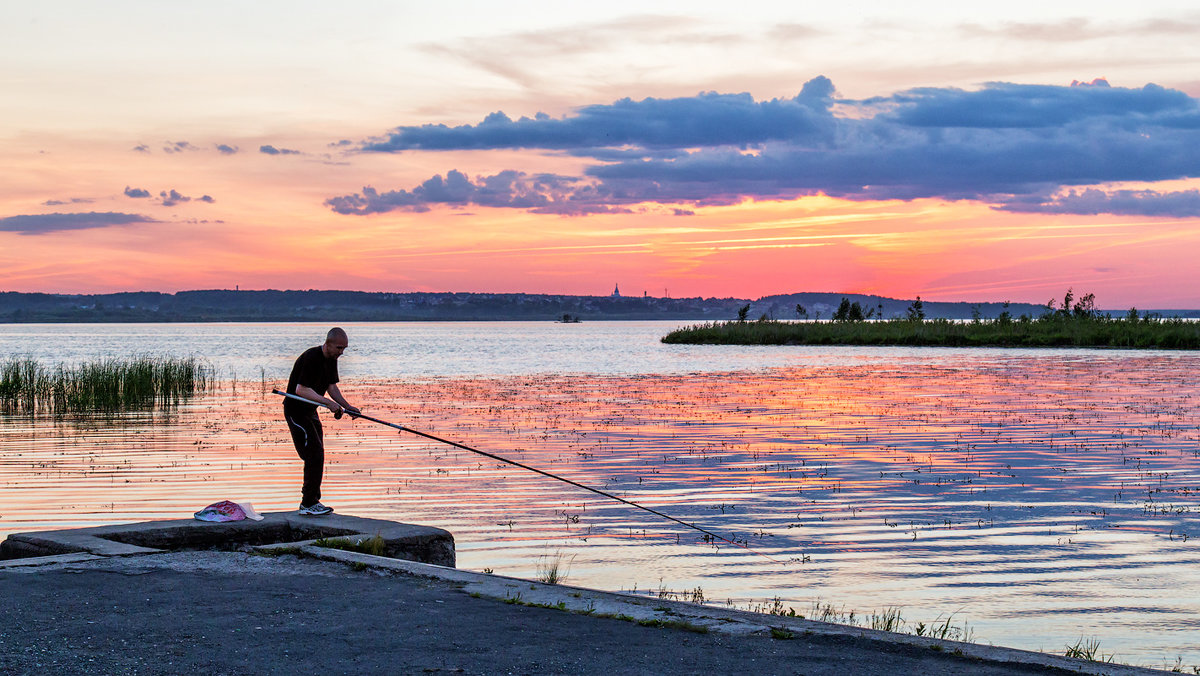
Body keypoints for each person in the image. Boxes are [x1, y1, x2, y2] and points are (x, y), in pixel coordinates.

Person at [284, 327, 360, 516]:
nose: (341, 352)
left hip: (310, 412)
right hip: (296, 411)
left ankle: (311, 502)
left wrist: (346, 406)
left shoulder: (331, 360)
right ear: (327, 344)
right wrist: (328, 403)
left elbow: (331, 386)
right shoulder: (311, 357)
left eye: (344, 349)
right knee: (313, 454)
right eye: (339, 348)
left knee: (317, 454)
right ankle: (308, 503)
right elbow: (301, 390)